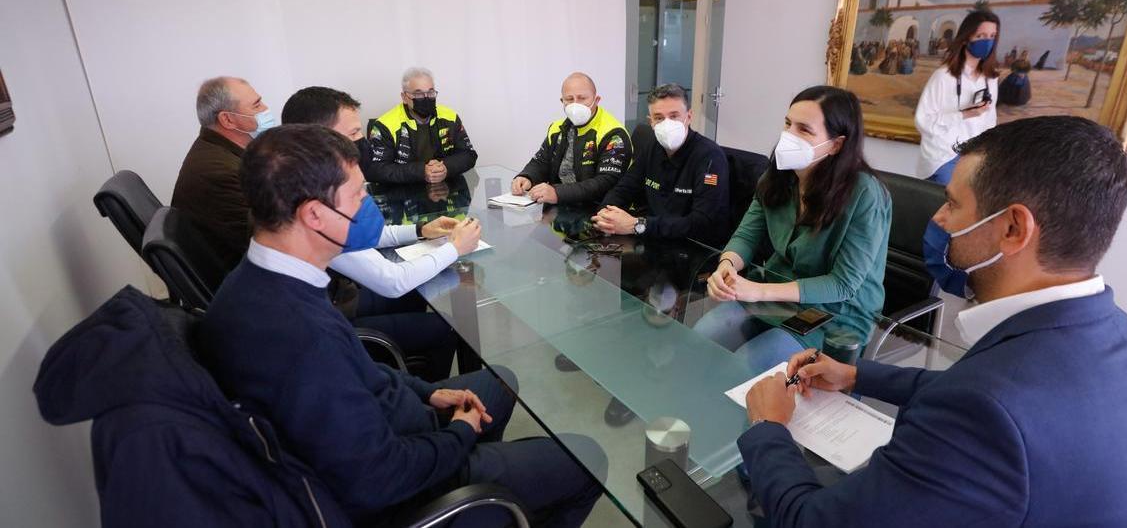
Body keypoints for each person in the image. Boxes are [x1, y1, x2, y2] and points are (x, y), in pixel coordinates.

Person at [736, 116, 1127, 527]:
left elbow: (812, 522)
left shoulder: (985, 412)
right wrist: (857, 375)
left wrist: (767, 428)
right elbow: (983, 398)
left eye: (953, 202)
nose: (938, 216)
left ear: (1013, 228)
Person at [196, 125, 604, 527]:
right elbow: (377, 479)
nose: (368, 203)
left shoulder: (265, 280)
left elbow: (359, 373)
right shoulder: (297, 338)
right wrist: (459, 437)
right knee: (588, 459)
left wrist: (430, 392)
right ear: (315, 214)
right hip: (406, 484)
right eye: (358, 194)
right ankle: (474, 499)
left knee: (499, 382)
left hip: (397, 425)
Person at [282, 86, 481, 380]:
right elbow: (392, 281)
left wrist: (419, 229)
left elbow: (367, 236)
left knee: (422, 291)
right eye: (352, 134)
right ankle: (429, 401)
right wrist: (454, 248)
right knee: (443, 321)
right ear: (319, 136)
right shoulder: (316, 200)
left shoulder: (302, 177)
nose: (361, 141)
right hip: (338, 321)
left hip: (337, 300)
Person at [698, 86, 890, 371]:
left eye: (804, 129)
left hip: (833, 315)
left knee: (742, 368)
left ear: (836, 144)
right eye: (788, 124)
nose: (789, 135)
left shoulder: (865, 195)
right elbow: (747, 235)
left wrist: (759, 292)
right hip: (775, 296)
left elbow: (843, 284)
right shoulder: (778, 176)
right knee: (700, 339)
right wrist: (727, 266)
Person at [592, 83, 731, 245]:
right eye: (659, 118)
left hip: (694, 248)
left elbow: (702, 223)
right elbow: (625, 188)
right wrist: (605, 213)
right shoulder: (652, 146)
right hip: (655, 240)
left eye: (674, 116)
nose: (667, 124)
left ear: (689, 116)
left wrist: (637, 225)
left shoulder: (710, 156)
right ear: (650, 122)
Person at [172, 76, 276, 271]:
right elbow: (267, 242)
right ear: (227, 120)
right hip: (245, 278)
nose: (265, 109)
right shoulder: (220, 173)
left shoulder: (217, 150)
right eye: (256, 105)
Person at [512, 72, 631, 205]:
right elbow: (541, 161)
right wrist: (527, 176)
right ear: (562, 101)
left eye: (582, 98)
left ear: (596, 100)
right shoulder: (557, 128)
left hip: (597, 209)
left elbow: (606, 182)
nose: (576, 104)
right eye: (569, 99)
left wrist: (557, 193)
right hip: (561, 209)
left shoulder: (614, 133)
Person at [914, 10, 1001, 185]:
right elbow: (922, 122)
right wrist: (963, 114)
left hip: (972, 159)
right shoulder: (943, 76)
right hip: (942, 157)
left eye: (992, 36)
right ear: (967, 37)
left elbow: (990, 122)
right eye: (981, 35)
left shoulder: (991, 79)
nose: (987, 41)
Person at [364, 67, 478, 185]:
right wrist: (421, 171)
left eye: (430, 92)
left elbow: (469, 154)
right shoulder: (385, 125)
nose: (426, 98)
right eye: (418, 94)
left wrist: (446, 168)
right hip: (403, 195)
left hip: (445, 191)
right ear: (404, 97)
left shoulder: (450, 117)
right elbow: (375, 170)